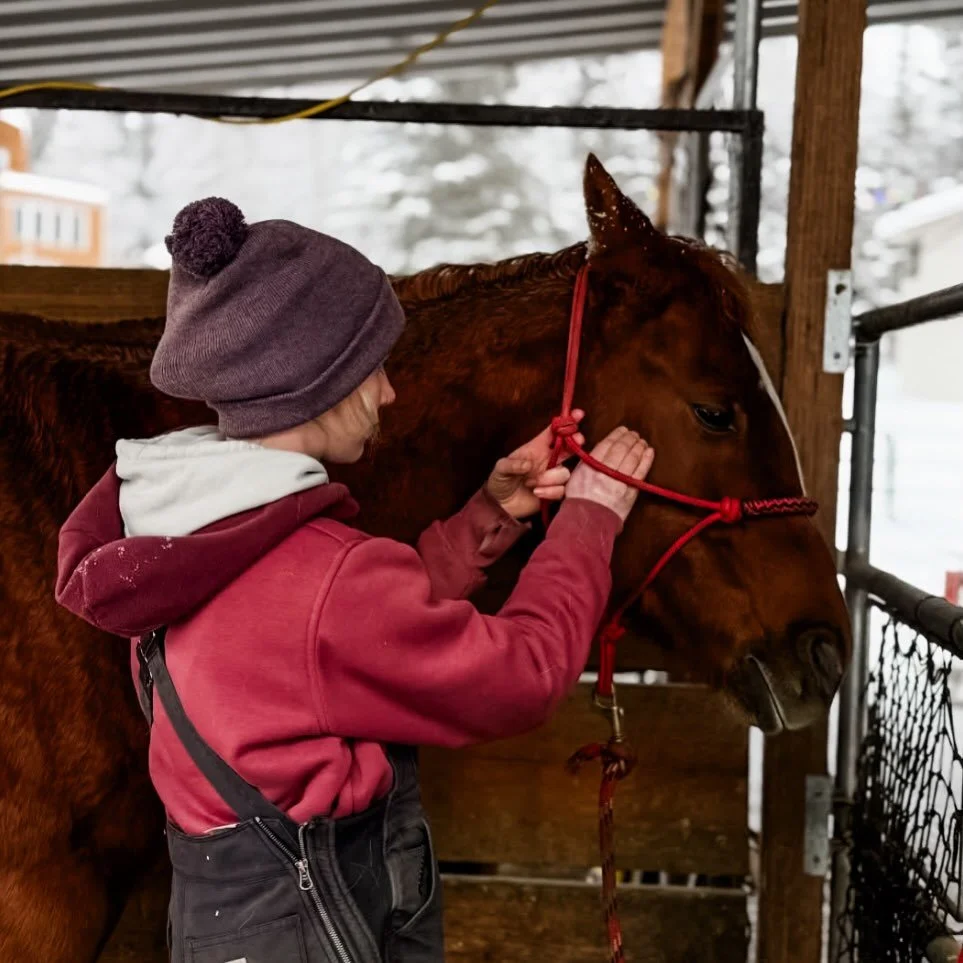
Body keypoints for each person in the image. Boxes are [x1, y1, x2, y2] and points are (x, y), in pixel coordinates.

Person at [55, 198, 654, 963]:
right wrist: (591, 520)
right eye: (374, 367)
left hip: (221, 925)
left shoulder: (177, 521)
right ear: (314, 378)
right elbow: (523, 675)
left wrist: (486, 515)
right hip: (312, 931)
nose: (389, 393)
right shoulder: (325, 579)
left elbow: (321, 638)